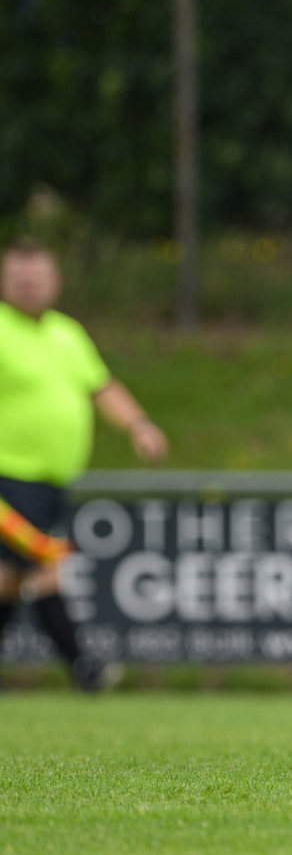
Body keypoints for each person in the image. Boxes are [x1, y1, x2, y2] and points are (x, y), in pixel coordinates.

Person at [0, 237, 168, 690]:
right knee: (41, 567)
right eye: (20, 278)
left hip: (50, 481)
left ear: (54, 282)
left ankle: (83, 668)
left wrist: (139, 425)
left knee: (11, 577)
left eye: (37, 277)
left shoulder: (66, 333)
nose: (30, 286)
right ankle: (85, 668)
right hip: (9, 476)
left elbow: (102, 387)